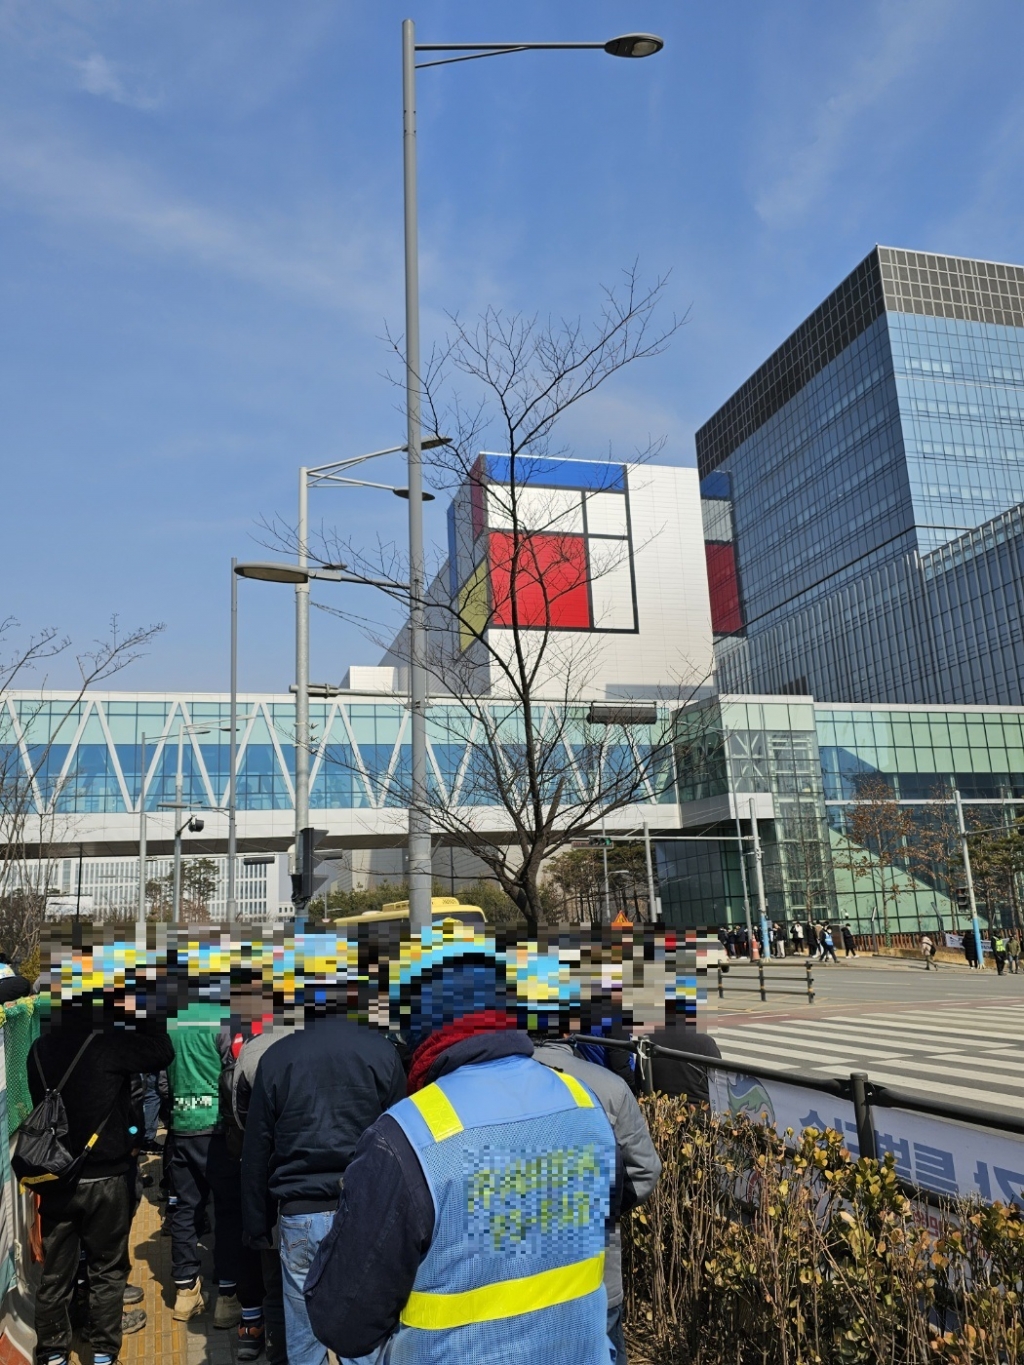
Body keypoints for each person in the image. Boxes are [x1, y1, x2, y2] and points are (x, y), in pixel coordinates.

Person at [304, 945, 618, 1365]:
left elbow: (342, 1322)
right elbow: (602, 1220)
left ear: (420, 1029)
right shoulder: (584, 1104)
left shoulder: (406, 1136)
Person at [241, 1003, 406, 1365]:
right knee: (363, 1336)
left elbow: (256, 1151)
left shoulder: (277, 1057)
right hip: (365, 1213)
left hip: (301, 1216)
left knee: (303, 1338)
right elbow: (403, 1142)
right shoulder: (382, 1052)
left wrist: (256, 1225)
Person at [28, 1005, 173, 1365]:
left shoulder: (38, 1049)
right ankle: (104, 1354)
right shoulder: (108, 1043)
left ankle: (52, 1355)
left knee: (56, 1273)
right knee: (107, 1270)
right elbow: (162, 1052)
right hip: (105, 1176)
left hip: (55, 1176)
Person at [533, 1026, 661, 1364]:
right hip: (595, 1271)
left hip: (514, 1277)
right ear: (569, 1028)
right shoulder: (608, 1087)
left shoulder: (490, 1086)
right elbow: (645, 1171)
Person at [165, 998, 254, 1333]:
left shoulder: (172, 1022)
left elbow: (162, 1082)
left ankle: (185, 1291)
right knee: (228, 1211)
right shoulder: (225, 1022)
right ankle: (227, 1297)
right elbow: (234, 1074)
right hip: (217, 1130)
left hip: (181, 1127)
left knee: (186, 1210)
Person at [649, 1023, 722, 1108]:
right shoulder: (706, 1043)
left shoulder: (650, 1040)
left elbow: (640, 1082)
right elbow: (720, 1087)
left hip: (660, 1111)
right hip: (700, 1112)